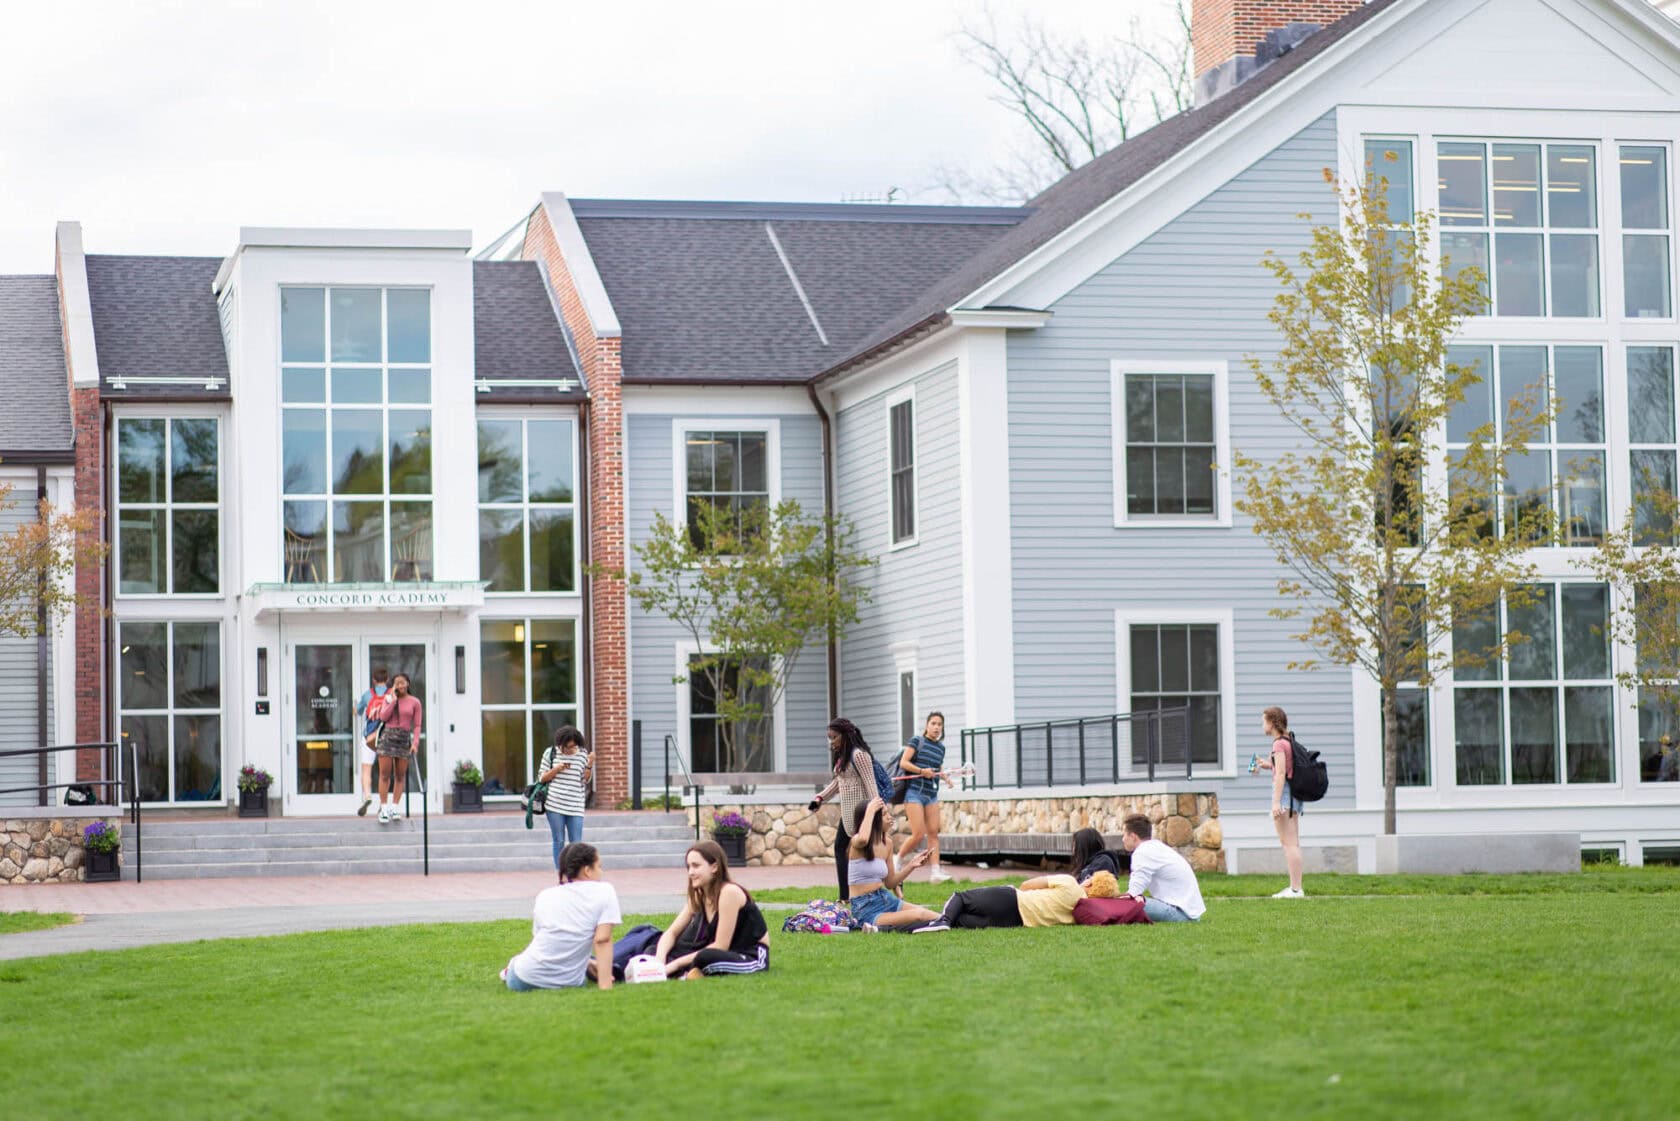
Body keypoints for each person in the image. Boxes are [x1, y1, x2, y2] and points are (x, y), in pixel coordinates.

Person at [501, 842, 619, 992]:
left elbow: (546, 939)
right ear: (587, 870)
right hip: (569, 981)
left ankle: (509, 970)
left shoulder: (545, 895)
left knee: (519, 962)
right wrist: (605, 985)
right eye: (599, 866)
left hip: (524, 978)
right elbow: (602, 939)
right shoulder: (605, 891)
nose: (601, 872)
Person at [653, 841, 770, 978]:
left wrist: (675, 964)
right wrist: (659, 961)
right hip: (724, 953)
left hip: (749, 956)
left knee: (705, 957)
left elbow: (721, 945)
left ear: (714, 867)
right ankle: (687, 974)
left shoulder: (729, 892)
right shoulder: (699, 895)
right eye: (688, 867)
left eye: (696, 866)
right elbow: (672, 933)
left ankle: (685, 973)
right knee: (654, 948)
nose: (691, 872)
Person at [809, 717, 883, 902]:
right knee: (842, 850)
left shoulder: (859, 755)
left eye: (834, 737)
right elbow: (838, 783)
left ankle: (876, 892)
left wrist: (877, 810)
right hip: (848, 813)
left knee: (871, 852)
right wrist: (820, 798)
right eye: (829, 737)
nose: (831, 741)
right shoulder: (843, 756)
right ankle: (846, 897)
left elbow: (870, 784)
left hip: (862, 813)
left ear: (844, 735)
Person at [848, 798, 946, 931]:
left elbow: (890, 883)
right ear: (872, 819)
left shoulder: (887, 843)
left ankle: (964, 922)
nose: (889, 817)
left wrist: (911, 865)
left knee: (936, 917)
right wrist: (870, 809)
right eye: (884, 814)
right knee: (919, 915)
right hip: (865, 908)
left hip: (885, 898)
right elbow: (864, 838)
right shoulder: (857, 843)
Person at [940, 869, 1121, 930]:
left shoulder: (1070, 883)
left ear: (1090, 884)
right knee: (960, 921)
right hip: (1015, 921)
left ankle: (942, 921)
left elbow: (1027, 885)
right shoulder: (1081, 915)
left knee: (961, 898)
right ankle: (927, 923)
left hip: (1013, 899)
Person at [896, 711, 953, 884]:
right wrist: (922, 771)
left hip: (931, 794)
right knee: (918, 834)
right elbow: (904, 762)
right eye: (933, 723)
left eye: (939, 724)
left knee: (934, 833)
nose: (936, 727)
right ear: (927, 725)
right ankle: (897, 860)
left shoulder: (941, 748)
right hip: (914, 792)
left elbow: (937, 768)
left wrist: (946, 778)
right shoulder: (917, 741)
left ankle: (935, 871)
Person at [1254, 706, 1305, 898]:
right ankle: (1295, 887)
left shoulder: (1278, 744)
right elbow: (1282, 767)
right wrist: (1267, 765)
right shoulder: (1288, 740)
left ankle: (1295, 889)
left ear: (1272, 722)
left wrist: (1276, 803)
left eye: (1263, 721)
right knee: (1293, 843)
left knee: (1289, 844)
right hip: (1293, 796)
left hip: (1284, 795)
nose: (1262, 725)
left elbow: (1282, 773)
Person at [1118, 814, 1207, 923]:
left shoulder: (1142, 852)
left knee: (1126, 904)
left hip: (1180, 914)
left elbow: (1134, 891)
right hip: (1190, 913)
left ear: (1133, 836)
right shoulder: (1156, 847)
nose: (1123, 839)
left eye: (1124, 835)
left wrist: (1119, 900)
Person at [538, 726, 591, 869]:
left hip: (576, 805)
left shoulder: (583, 754)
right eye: (565, 747)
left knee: (576, 843)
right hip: (555, 804)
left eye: (572, 746)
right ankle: (561, 874)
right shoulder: (551, 753)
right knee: (559, 841)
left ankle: (576, 873)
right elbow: (542, 778)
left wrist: (590, 765)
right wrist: (556, 769)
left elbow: (585, 780)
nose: (568, 750)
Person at [375, 672, 422, 824]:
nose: (400, 686)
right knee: (384, 775)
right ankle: (383, 808)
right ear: (393, 686)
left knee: (400, 776)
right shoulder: (389, 698)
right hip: (388, 738)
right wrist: (393, 701)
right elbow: (383, 717)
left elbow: (417, 725)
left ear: (408, 683)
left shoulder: (415, 702)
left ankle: (395, 807)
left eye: (402, 682)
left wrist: (415, 744)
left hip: (403, 739)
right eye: (397, 683)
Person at [354, 667, 391, 817]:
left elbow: (357, 712)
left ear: (374, 680)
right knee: (385, 773)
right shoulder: (392, 695)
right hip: (387, 737)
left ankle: (367, 796)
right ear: (387, 680)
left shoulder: (368, 695)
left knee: (366, 769)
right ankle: (384, 804)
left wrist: (356, 707)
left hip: (369, 737)